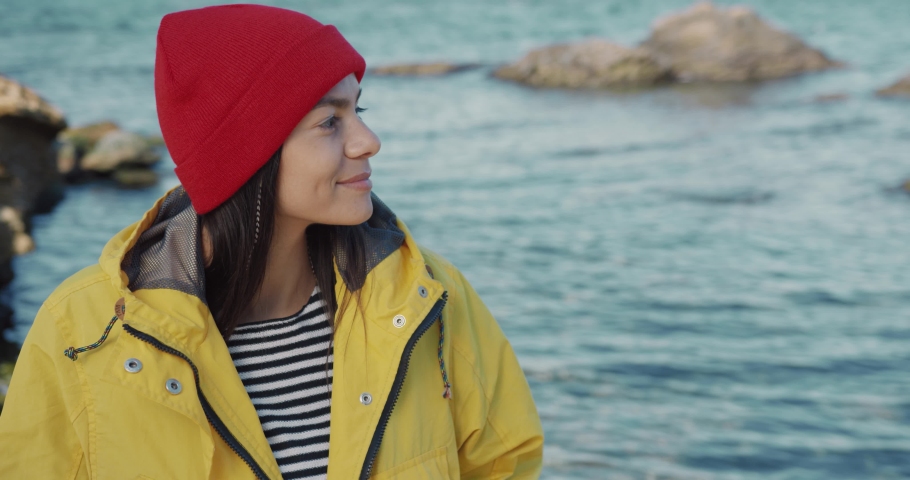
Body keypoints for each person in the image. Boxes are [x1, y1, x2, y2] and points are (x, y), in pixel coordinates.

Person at [0, 4, 543, 479]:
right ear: (245, 154)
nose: (368, 141)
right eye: (329, 121)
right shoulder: (81, 331)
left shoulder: (431, 297)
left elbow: (505, 464)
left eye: (358, 111)